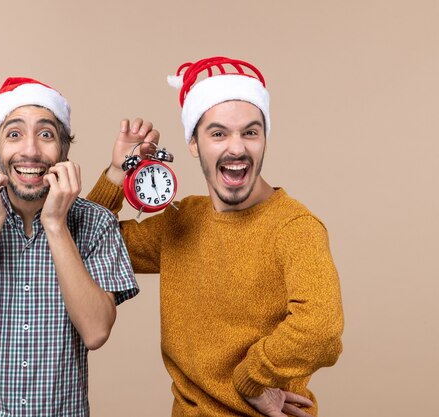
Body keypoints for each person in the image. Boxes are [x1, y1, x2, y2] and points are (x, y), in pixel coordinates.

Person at [87, 57, 344, 417]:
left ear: (264, 139)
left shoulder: (294, 227)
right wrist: (118, 173)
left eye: (250, 132)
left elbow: (322, 330)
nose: (236, 148)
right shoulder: (181, 221)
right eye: (218, 133)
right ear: (193, 143)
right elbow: (86, 245)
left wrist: (251, 379)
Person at [0, 77, 146, 417]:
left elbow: (96, 331)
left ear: (64, 151)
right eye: (14, 134)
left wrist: (55, 224)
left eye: (46, 134)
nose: (30, 150)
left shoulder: (96, 222)